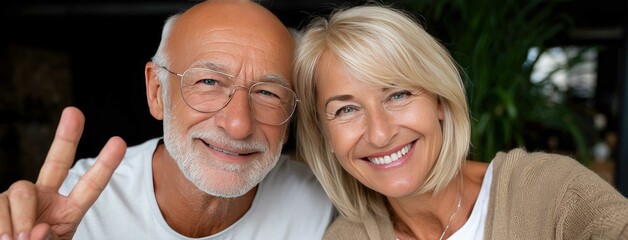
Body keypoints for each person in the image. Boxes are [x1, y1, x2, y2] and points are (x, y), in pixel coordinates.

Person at [0, 1, 335, 239]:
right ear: (157, 92)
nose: (238, 125)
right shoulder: (71, 205)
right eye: (209, 82)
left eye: (268, 93)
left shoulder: (321, 204)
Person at [292, 4, 628, 240]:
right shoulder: (345, 237)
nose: (379, 134)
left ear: (439, 100)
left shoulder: (548, 191)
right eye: (346, 110)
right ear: (324, 134)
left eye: (398, 95)